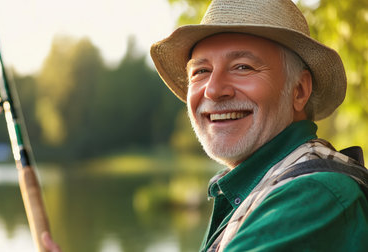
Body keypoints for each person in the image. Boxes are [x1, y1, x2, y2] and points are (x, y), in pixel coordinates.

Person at [149, 0, 368, 251]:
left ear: (299, 90)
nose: (213, 89)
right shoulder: (261, 186)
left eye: (243, 67)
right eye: (201, 71)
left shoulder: (313, 194)